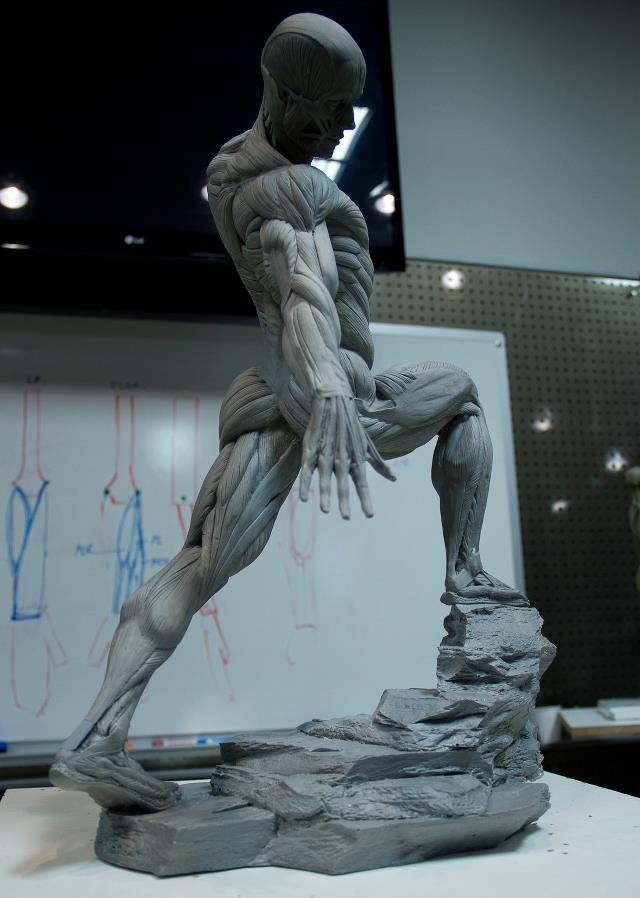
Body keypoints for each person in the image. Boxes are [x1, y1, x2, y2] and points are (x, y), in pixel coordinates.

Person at [50, 12, 525, 812]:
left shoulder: (233, 171)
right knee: (462, 394)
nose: (340, 126)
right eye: (332, 107)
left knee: (200, 562)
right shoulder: (288, 191)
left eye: (348, 109)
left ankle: (96, 740)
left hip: (277, 394)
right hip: (327, 393)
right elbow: (299, 276)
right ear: (284, 92)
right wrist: (330, 387)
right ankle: (465, 571)